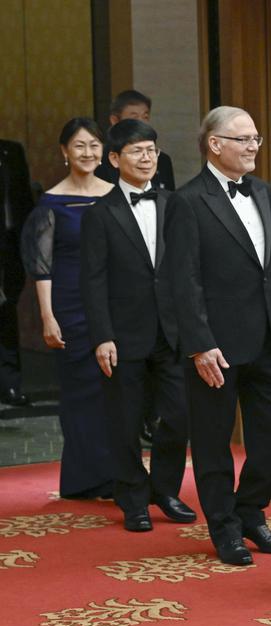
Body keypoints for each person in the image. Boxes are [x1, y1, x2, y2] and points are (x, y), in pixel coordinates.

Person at [165, 106, 271, 566]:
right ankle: (224, 527)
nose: (254, 145)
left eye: (256, 137)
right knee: (213, 441)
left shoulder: (264, 191)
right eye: (243, 138)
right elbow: (183, 279)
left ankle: (251, 512)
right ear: (215, 144)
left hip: (268, 341)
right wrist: (199, 343)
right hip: (214, 345)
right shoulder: (188, 200)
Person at [79, 119, 194, 532]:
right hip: (123, 333)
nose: (147, 158)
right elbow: (91, 281)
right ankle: (132, 498)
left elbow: (184, 269)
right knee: (125, 422)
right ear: (114, 159)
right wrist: (102, 336)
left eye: (152, 150)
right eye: (136, 151)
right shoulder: (100, 214)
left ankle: (163, 489)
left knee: (180, 415)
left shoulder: (174, 204)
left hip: (171, 331)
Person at [20, 118, 114, 498]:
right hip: (71, 307)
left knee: (114, 392)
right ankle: (83, 478)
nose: (88, 153)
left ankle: (114, 474)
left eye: (94, 145)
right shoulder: (51, 203)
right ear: (64, 152)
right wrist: (47, 316)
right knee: (80, 393)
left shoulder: (116, 195)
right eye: (79, 146)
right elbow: (42, 268)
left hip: (114, 305)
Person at [0, 138, 34, 406]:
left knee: (7, 311)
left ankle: (10, 383)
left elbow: (23, 198)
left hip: (10, 244)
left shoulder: (11, 150)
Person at [95, 90, 176, 191]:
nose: (141, 123)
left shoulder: (162, 160)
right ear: (114, 120)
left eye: (145, 117)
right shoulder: (99, 160)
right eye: (134, 117)